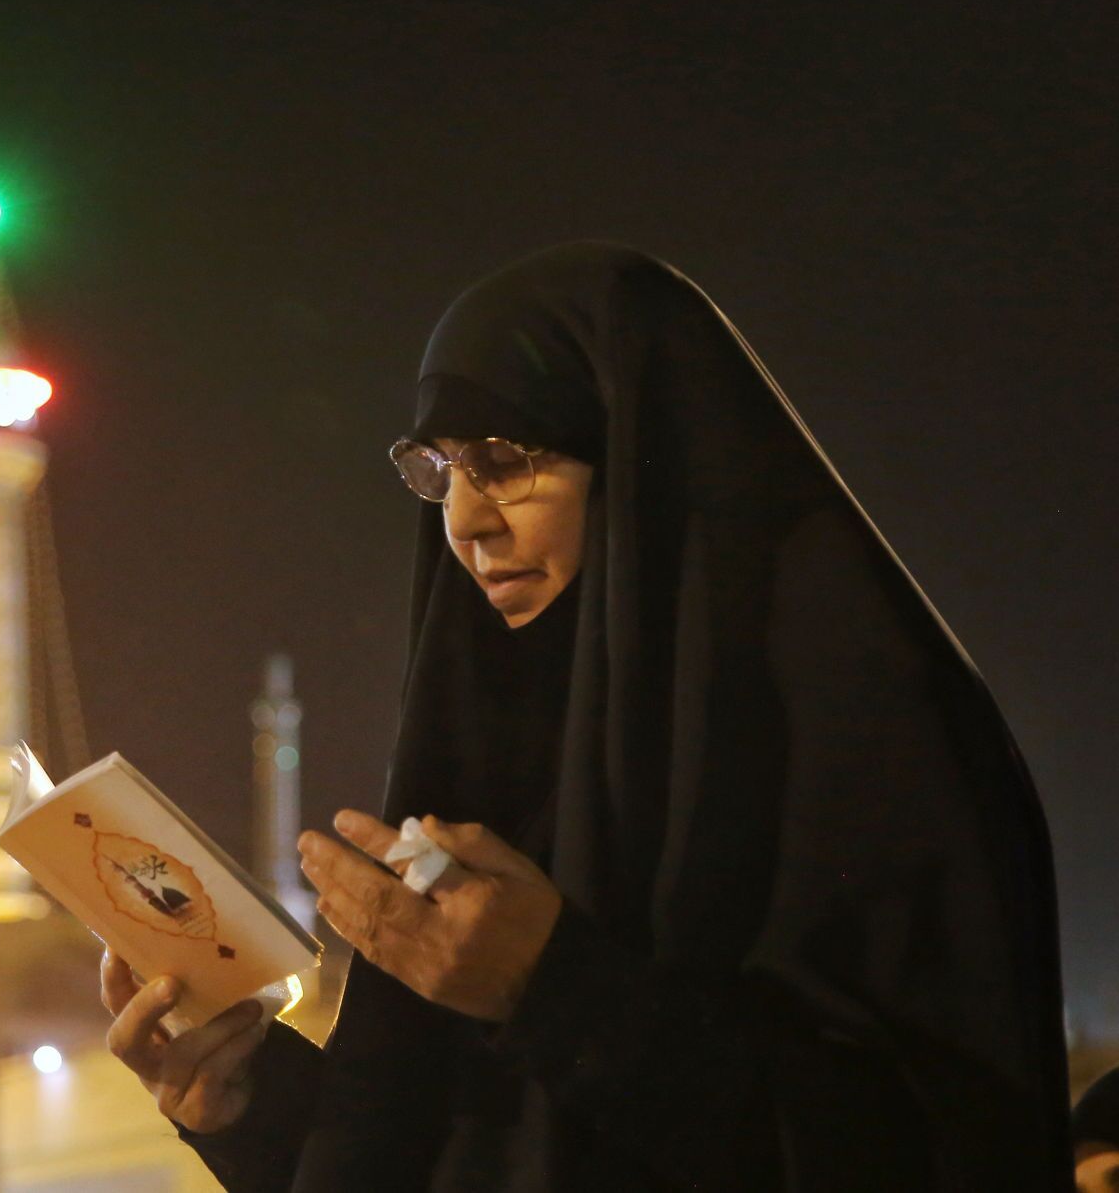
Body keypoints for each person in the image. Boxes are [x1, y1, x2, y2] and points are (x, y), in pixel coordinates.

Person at [100, 242, 1073, 1190]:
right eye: (440, 469)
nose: (464, 521)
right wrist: (246, 1107)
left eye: (502, 459)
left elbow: (942, 1150)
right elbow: (472, 1147)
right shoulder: (509, 756)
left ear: (648, 469)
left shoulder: (870, 740)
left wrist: (554, 992)